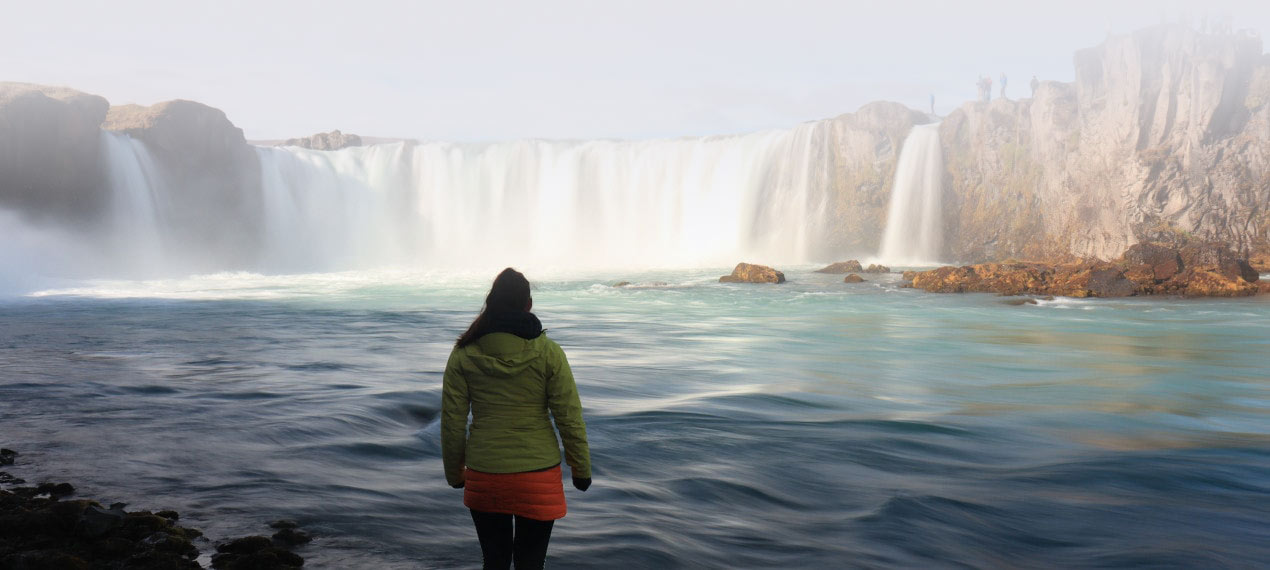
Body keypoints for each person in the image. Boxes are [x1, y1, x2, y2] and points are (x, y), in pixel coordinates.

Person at [442, 268, 592, 570]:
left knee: (494, 561)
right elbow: (569, 416)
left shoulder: (463, 353)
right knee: (531, 563)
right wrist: (581, 469)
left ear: (490, 303)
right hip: (537, 476)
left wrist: (455, 473)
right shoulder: (549, 352)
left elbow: (452, 422)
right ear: (529, 304)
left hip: (485, 473)